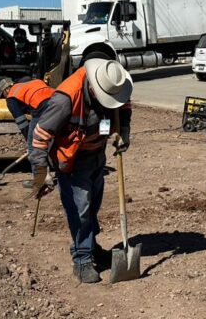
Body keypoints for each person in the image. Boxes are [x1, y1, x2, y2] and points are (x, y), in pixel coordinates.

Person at [28, 59, 133, 284]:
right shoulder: (65, 99)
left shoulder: (113, 81)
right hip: (73, 162)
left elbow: (124, 105)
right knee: (80, 211)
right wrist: (40, 173)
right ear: (94, 88)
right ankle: (82, 260)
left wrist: (123, 130)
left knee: (92, 206)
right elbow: (40, 136)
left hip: (97, 157)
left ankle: (91, 247)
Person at [0, 76, 56, 142]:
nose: (5, 97)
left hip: (41, 107)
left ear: (7, 90)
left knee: (33, 143)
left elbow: (22, 123)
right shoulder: (30, 83)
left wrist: (28, 139)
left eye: (3, 94)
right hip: (58, 100)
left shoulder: (11, 98)